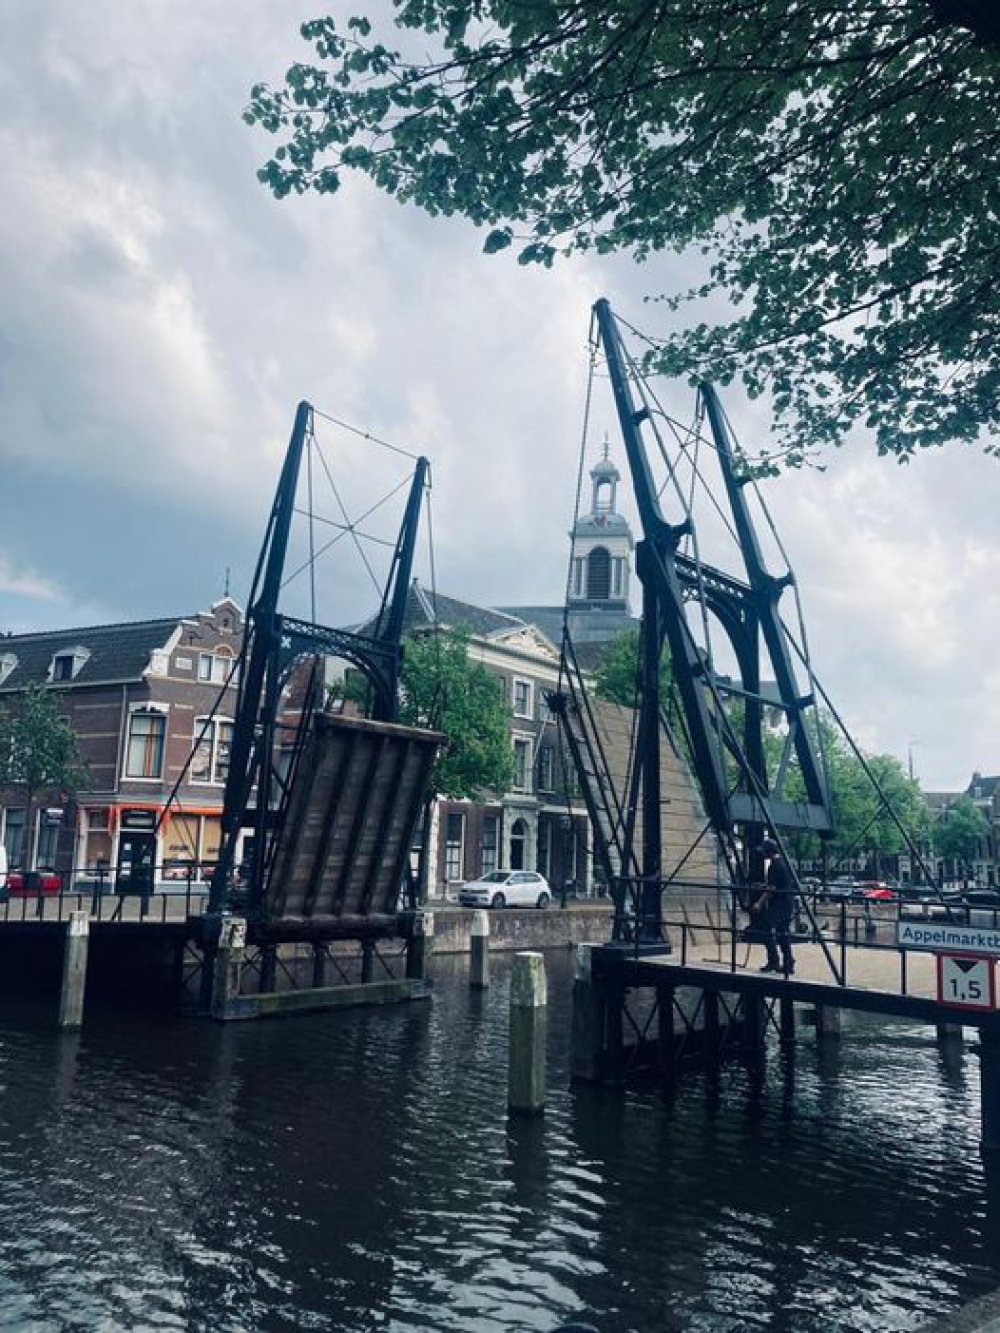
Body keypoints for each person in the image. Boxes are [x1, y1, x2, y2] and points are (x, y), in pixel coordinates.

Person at [755, 837, 795, 975]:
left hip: (779, 904)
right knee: (782, 933)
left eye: (764, 851)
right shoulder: (782, 863)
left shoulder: (774, 866)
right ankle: (788, 963)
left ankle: (774, 961)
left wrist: (759, 903)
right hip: (787, 902)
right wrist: (763, 885)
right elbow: (778, 884)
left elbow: (772, 888)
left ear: (768, 851)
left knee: (765, 928)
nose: (762, 854)